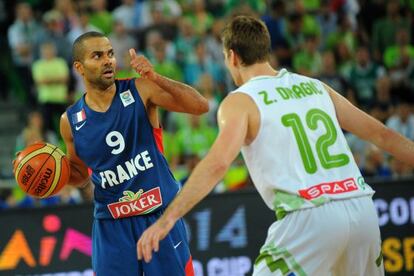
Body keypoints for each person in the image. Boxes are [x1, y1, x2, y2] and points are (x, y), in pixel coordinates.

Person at [137, 15, 414, 276]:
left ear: (232, 56)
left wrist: (167, 219)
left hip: (309, 215)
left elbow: (218, 164)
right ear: (265, 50)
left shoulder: (240, 101)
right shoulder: (316, 86)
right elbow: (383, 135)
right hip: (361, 208)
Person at [60, 31, 208, 275]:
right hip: (111, 225)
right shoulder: (71, 120)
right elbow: (79, 176)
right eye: (97, 56)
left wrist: (156, 77)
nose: (107, 60)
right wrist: (49, 178)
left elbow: (200, 106)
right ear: (79, 67)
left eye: (109, 54)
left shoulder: (141, 89)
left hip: (158, 215)